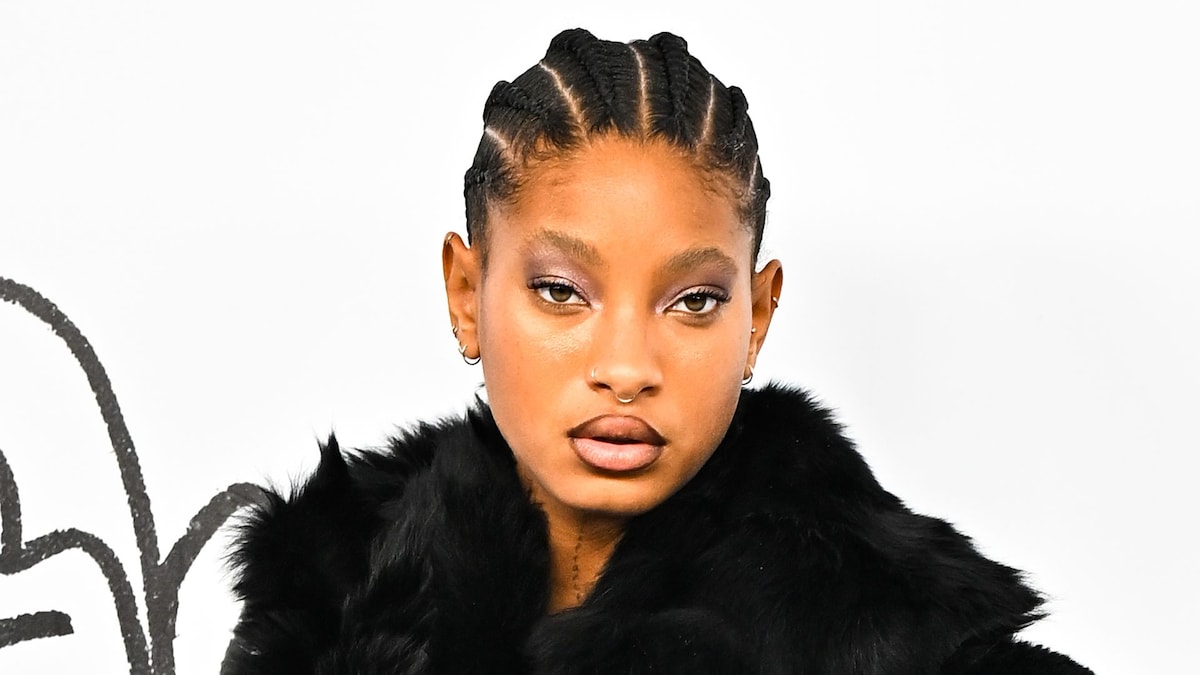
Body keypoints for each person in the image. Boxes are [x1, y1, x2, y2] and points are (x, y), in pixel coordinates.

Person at [221, 29, 1091, 674]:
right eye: (561, 291)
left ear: (757, 316)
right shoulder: (329, 593)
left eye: (694, 301)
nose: (628, 367)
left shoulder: (899, 638)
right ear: (466, 294)